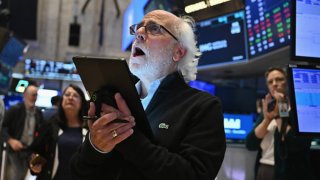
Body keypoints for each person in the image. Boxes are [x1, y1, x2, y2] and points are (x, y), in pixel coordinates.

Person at [70, 10, 226, 180]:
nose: (139, 33)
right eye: (138, 27)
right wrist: (95, 146)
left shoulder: (203, 106)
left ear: (178, 52)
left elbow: (194, 175)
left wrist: (128, 136)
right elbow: (77, 172)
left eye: (154, 28)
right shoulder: (116, 99)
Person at [245, 67, 314, 180]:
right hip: (263, 169)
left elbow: (297, 144)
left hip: (291, 173)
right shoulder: (268, 110)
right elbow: (250, 144)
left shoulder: (302, 108)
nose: (274, 84)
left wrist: (280, 111)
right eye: (270, 82)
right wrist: (267, 120)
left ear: (288, 81)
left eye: (279, 79)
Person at [28, 84, 88, 179]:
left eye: (75, 95)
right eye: (67, 95)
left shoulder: (89, 129)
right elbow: (35, 150)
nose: (71, 98)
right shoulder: (50, 125)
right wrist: (34, 166)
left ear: (82, 102)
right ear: (62, 101)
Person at [1, 84, 44, 180]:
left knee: (24, 176)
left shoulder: (38, 113)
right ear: (25, 95)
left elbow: (40, 133)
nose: (34, 97)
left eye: (36, 95)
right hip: (14, 150)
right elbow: (2, 128)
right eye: (32, 95)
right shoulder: (15, 109)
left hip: (29, 151)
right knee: (15, 175)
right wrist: (11, 140)